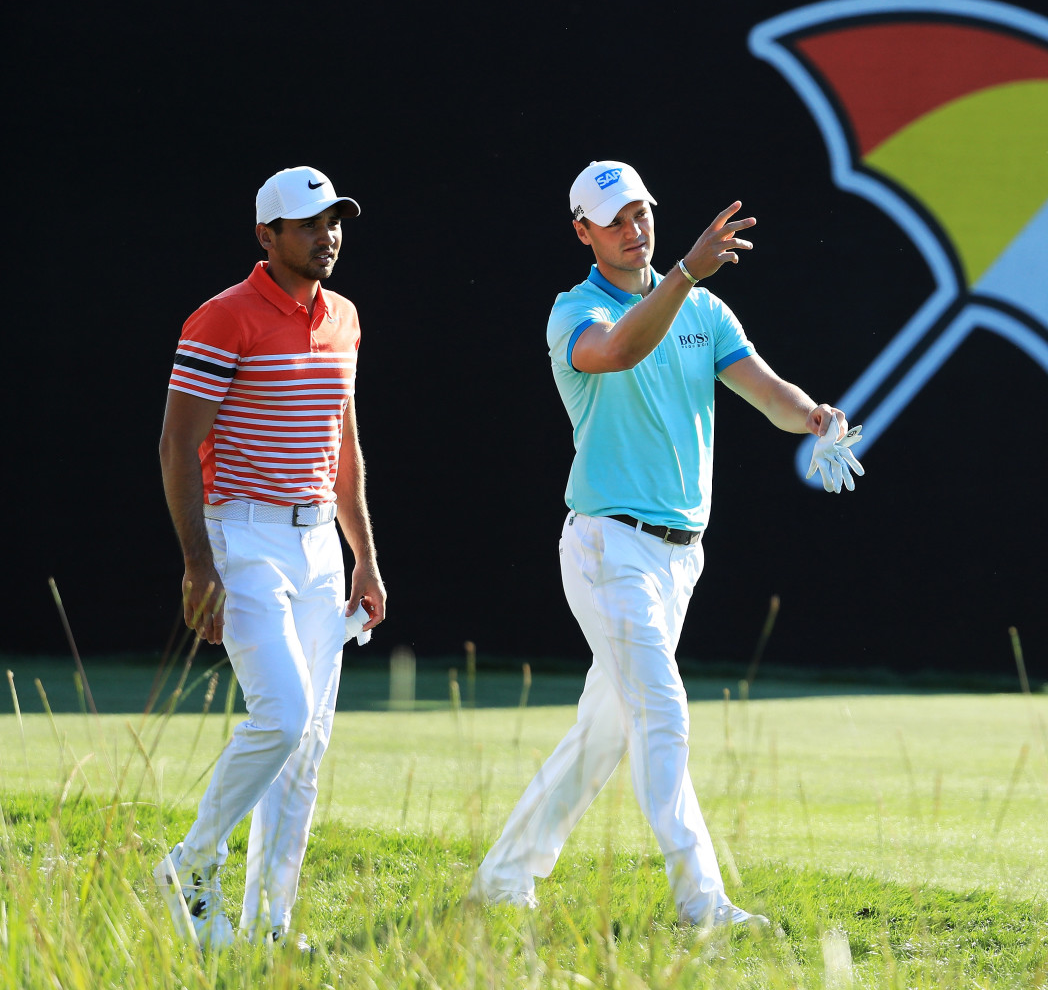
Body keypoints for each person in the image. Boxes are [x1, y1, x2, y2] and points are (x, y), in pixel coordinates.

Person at [471, 160, 862, 927]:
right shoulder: (572, 312)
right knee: (663, 713)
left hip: (680, 557)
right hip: (607, 547)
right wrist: (684, 270)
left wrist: (813, 415)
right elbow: (617, 351)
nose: (634, 228)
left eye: (642, 212)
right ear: (582, 231)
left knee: (605, 731)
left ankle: (500, 880)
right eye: (615, 219)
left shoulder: (704, 311)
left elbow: (765, 389)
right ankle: (701, 900)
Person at [153, 166, 386, 948]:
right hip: (241, 538)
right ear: (267, 236)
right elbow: (177, 444)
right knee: (281, 717)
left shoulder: (345, 318)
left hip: (321, 542)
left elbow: (342, 447)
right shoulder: (223, 319)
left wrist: (365, 556)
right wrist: (198, 564)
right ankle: (192, 863)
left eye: (335, 222)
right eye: (310, 224)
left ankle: (268, 926)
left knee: (308, 744)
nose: (328, 236)